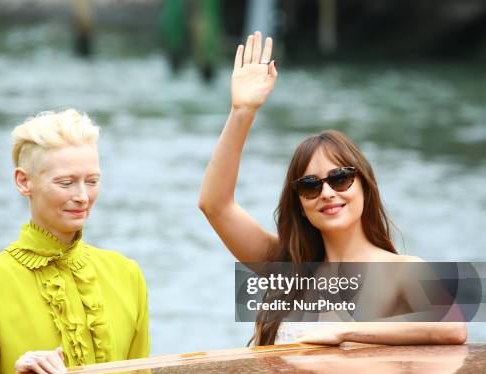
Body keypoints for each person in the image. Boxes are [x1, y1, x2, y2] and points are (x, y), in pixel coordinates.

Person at [198, 31, 467, 346]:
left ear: (365, 186)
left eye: (340, 178)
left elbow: (452, 328)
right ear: (299, 202)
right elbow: (215, 205)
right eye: (310, 185)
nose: (326, 192)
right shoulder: (285, 266)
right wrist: (242, 112)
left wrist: (345, 330)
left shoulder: (403, 271)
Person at [0, 109, 150, 374]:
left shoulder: (127, 275)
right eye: (66, 183)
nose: (83, 197)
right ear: (24, 181)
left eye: (92, 181)